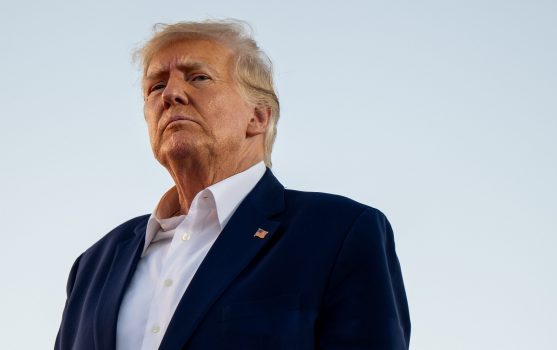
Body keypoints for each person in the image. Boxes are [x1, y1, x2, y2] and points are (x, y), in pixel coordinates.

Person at [55, 19, 410, 350]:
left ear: (258, 117)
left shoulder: (338, 231)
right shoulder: (94, 264)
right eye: (156, 85)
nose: (170, 94)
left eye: (198, 78)